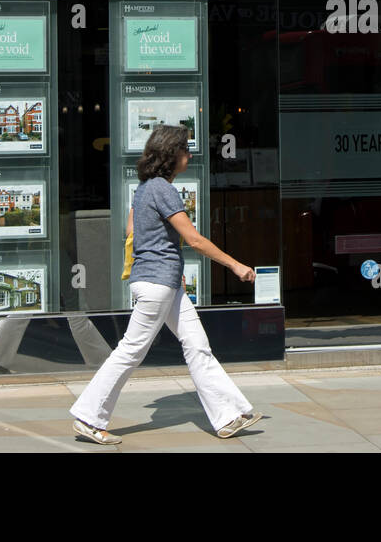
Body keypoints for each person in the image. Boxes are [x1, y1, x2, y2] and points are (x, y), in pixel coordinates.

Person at [70, 124, 262, 444]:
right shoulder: (163, 189)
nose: (189, 154)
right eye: (185, 149)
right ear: (171, 155)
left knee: (197, 346)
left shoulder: (145, 188)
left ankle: (229, 415)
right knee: (130, 351)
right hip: (158, 283)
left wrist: (165, 259)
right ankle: (89, 417)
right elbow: (194, 239)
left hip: (163, 282)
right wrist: (235, 265)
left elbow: (132, 229)